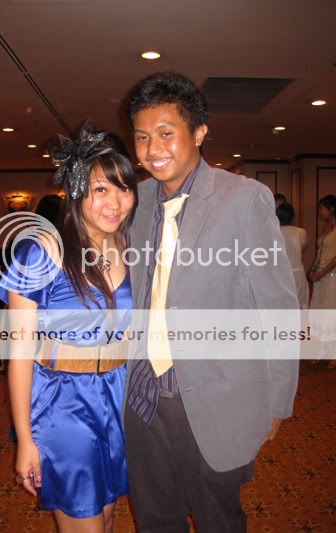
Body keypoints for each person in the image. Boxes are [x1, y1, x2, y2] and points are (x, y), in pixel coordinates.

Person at [123, 72, 299, 532]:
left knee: (218, 518)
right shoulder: (135, 201)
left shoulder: (243, 199)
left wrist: (278, 400)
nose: (152, 149)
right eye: (141, 137)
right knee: (154, 518)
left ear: (199, 132)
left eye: (166, 133)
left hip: (214, 398)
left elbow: (277, 307)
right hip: (141, 397)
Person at [0, 123, 137, 532]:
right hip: (64, 404)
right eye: (101, 189)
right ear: (76, 191)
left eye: (124, 188)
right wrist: (25, 440)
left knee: (107, 515)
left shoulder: (127, 247)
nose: (115, 202)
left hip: (118, 398)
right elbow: (20, 353)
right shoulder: (41, 251)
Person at [0, 194, 63, 373]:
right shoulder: (51, 241)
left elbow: (6, 263)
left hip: (13, 287)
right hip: (30, 292)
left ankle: (2, 362)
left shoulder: (23, 237)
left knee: (10, 328)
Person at [308, 194, 336, 368]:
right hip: (320, 277)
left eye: (321, 208)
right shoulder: (326, 227)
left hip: (332, 277)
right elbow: (319, 253)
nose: (319, 211)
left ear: (331, 209)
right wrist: (312, 271)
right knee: (321, 314)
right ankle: (323, 349)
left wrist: (321, 273)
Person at [276, 202, 309, 308]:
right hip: (297, 273)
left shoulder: (274, 232)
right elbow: (304, 249)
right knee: (299, 305)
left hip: (280, 273)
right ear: (293, 217)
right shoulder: (301, 232)